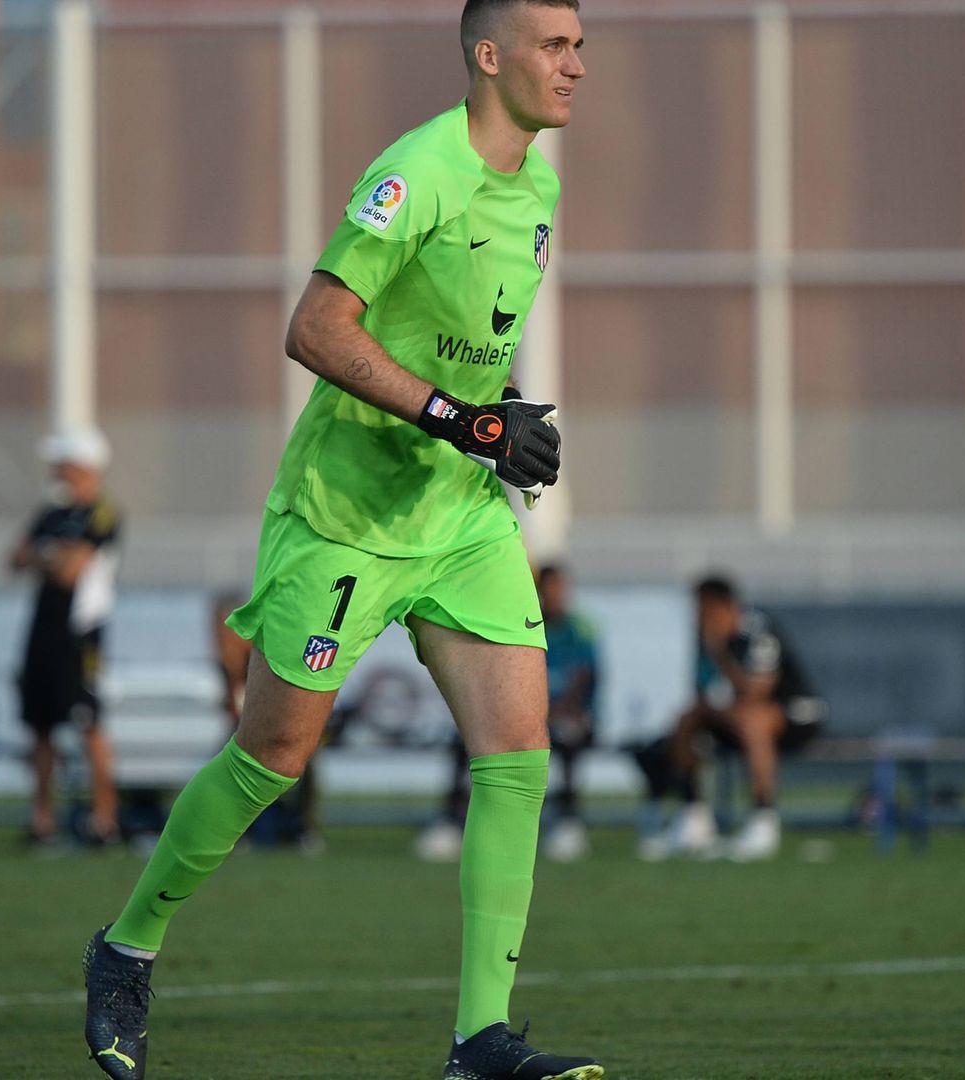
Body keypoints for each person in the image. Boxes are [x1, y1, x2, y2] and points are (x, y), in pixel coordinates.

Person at [80, 4, 600, 1078]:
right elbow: (315, 328)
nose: (576, 66)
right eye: (555, 47)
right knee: (275, 753)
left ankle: (481, 1041)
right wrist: (464, 420)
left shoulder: (538, 187)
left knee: (517, 754)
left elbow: (462, 353)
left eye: (580, 46)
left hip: (455, 516)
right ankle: (126, 947)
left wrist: (495, 421)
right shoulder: (418, 172)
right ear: (488, 56)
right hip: (346, 515)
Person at [417, 563, 600, 863]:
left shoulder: (579, 629)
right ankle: (452, 821)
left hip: (566, 715)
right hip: (526, 714)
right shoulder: (520, 621)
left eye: (560, 588)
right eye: (549, 588)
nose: (554, 595)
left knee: (567, 738)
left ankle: (568, 821)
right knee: (463, 740)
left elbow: (585, 681)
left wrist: (547, 713)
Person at [645, 575, 826, 863]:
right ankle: (694, 817)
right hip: (739, 716)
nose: (698, 617)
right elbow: (704, 690)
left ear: (724, 607)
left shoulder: (757, 630)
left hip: (795, 716)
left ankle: (763, 820)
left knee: (752, 720)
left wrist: (719, 652)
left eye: (703, 609)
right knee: (687, 719)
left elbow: (755, 692)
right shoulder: (704, 637)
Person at [8, 428, 122, 847]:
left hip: (80, 637)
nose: (55, 469)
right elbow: (15, 559)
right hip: (42, 631)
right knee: (39, 726)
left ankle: (104, 821)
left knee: (88, 723)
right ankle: (42, 821)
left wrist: (47, 555)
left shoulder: (102, 512)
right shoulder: (51, 513)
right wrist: (51, 556)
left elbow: (71, 570)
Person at [212, 593, 322, 853]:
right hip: (250, 728)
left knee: (302, 758)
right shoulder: (227, 661)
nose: (223, 635)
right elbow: (232, 702)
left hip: (284, 720)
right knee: (232, 757)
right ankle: (240, 830)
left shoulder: (270, 649)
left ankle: (299, 827)